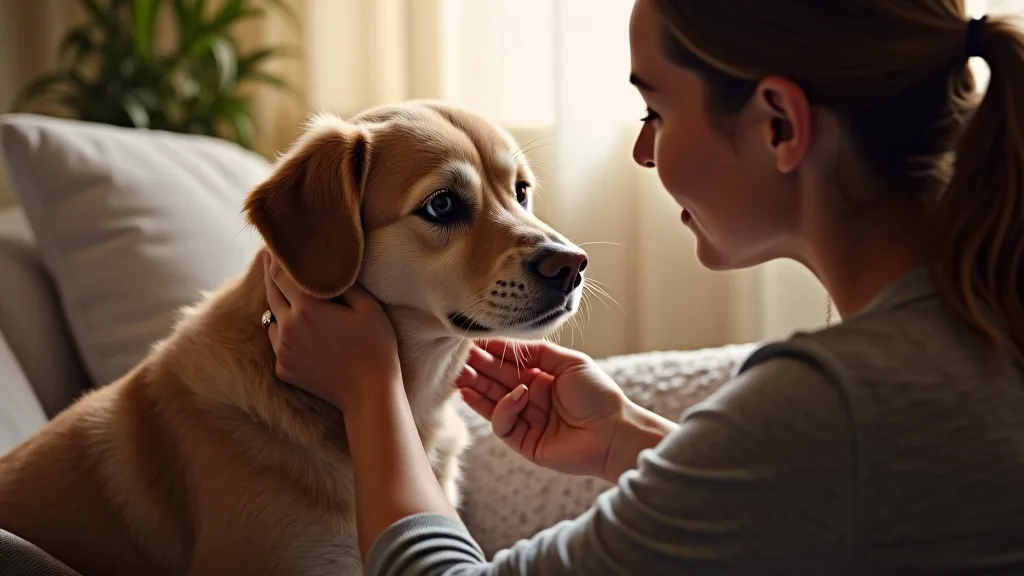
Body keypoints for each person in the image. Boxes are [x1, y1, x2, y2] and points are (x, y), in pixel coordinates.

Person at [261, 0, 1024, 573]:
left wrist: (369, 395)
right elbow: (814, 506)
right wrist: (630, 442)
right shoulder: (977, 335)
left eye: (655, 109)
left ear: (780, 125)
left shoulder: (827, 404)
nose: (641, 150)